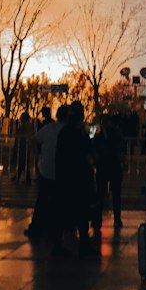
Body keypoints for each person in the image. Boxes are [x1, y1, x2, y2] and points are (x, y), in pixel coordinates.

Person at [56, 104, 97, 257]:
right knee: (81, 213)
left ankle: (58, 244)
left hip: (66, 177)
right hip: (79, 178)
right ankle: (84, 245)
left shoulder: (64, 133)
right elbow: (88, 153)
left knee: (63, 211)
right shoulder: (80, 134)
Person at [26, 105, 60, 240]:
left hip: (46, 166)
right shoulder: (58, 127)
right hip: (57, 168)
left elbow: (34, 139)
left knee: (43, 198)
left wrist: (37, 154)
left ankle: (38, 225)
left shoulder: (47, 127)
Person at [93, 112, 125, 229]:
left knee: (113, 194)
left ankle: (115, 218)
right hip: (106, 166)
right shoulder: (103, 135)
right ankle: (100, 219)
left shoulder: (111, 135)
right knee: (102, 195)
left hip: (110, 166)